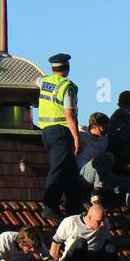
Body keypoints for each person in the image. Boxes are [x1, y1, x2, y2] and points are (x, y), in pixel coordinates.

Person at [37, 53, 83, 221]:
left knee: (70, 170)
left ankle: (74, 208)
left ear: (52, 68)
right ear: (68, 68)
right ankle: (49, 207)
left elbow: (35, 80)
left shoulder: (44, 82)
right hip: (61, 133)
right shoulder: (67, 87)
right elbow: (69, 113)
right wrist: (77, 137)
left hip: (46, 132)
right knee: (57, 169)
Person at [76, 112, 130, 212]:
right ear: (95, 126)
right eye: (104, 127)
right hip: (84, 174)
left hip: (101, 177)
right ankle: (96, 191)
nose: (107, 130)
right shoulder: (81, 133)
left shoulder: (104, 141)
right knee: (106, 156)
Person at [51, 203, 118, 261]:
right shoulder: (71, 222)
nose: (102, 224)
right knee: (81, 243)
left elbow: (107, 245)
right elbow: (56, 242)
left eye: (103, 221)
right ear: (89, 217)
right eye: (99, 221)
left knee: (110, 247)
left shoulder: (104, 224)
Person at [106, 91, 130, 173]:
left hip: (113, 152)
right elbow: (126, 139)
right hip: (120, 155)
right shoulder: (124, 114)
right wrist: (129, 160)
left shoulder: (116, 114)